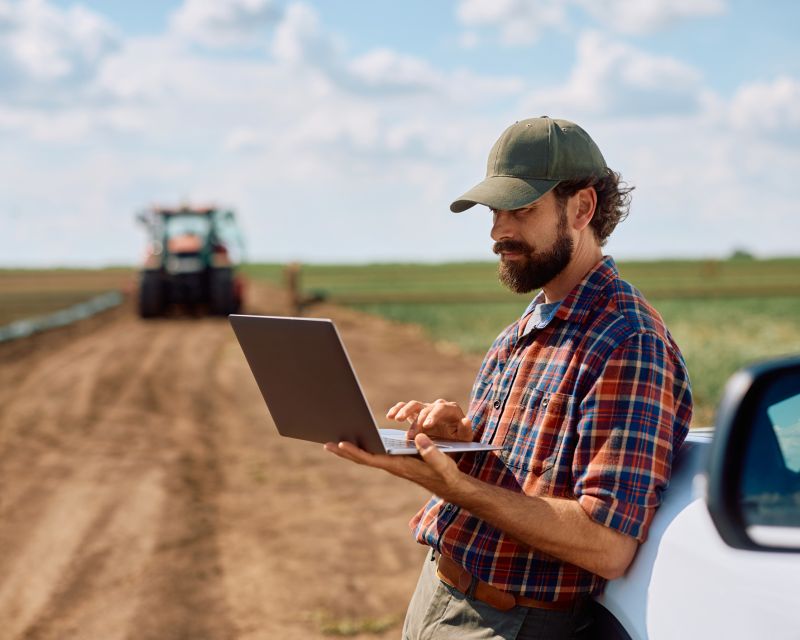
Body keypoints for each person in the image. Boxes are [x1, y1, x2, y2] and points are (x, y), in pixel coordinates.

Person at [325, 116, 693, 639]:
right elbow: (523, 473)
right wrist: (459, 441)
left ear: (582, 208)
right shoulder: (521, 331)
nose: (499, 232)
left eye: (521, 210)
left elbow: (607, 545)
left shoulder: (628, 342)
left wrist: (455, 486)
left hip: (511, 621)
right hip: (438, 592)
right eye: (495, 212)